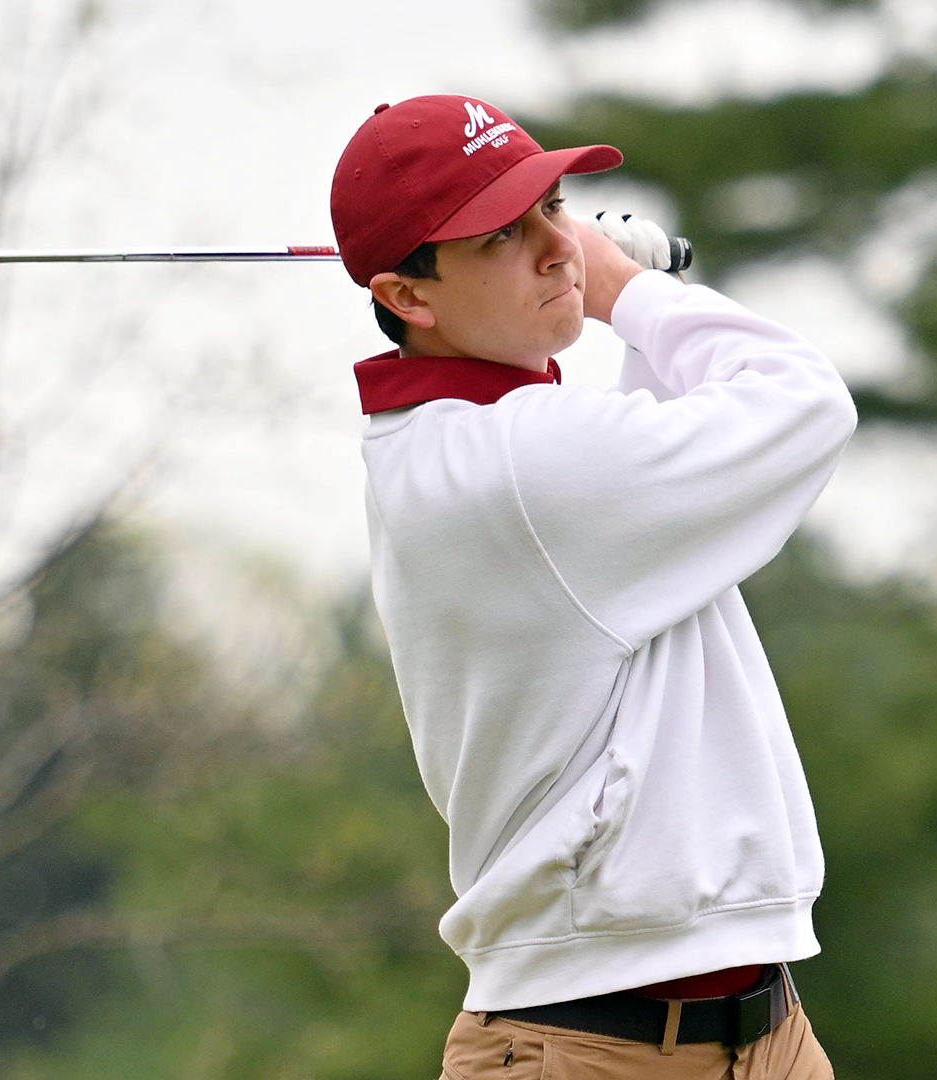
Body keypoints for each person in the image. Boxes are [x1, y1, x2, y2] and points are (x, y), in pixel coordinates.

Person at [329, 95, 855, 1078]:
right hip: (592, 1050)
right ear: (409, 297)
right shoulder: (517, 465)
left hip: (763, 1036)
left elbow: (643, 479)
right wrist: (629, 294)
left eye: (552, 206)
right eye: (499, 236)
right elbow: (805, 402)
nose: (555, 247)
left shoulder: (483, 445)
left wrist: (612, 295)